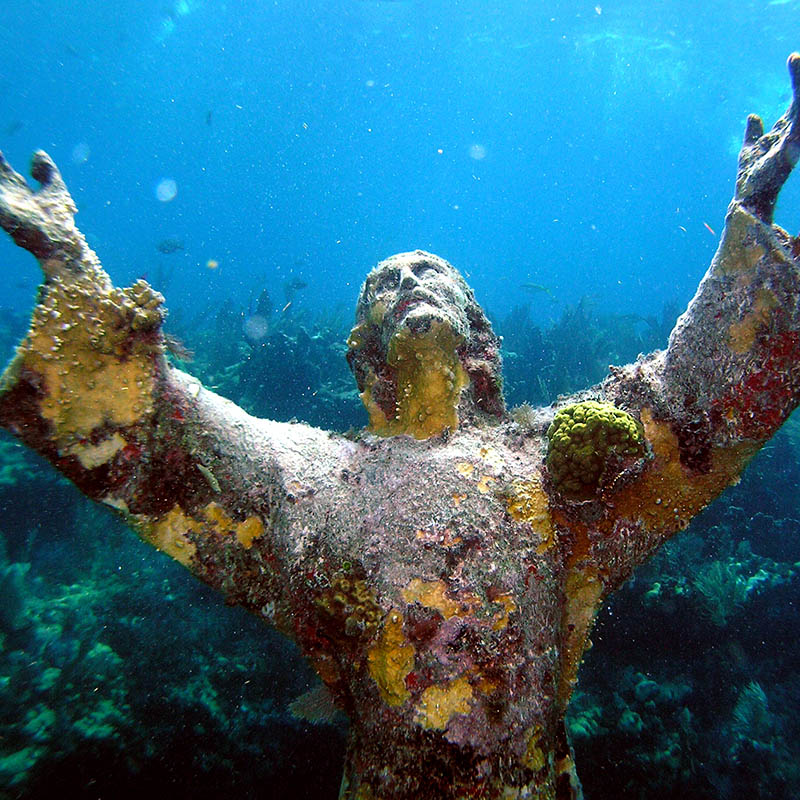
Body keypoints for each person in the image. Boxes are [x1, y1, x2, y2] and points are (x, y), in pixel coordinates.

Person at [0, 54, 798, 800]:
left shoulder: (555, 464)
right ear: (362, 351)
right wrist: (73, 273)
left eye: (432, 273)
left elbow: (689, 407)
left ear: (479, 333)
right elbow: (166, 437)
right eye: (387, 281)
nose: (411, 281)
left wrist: (751, 220)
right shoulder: (308, 480)